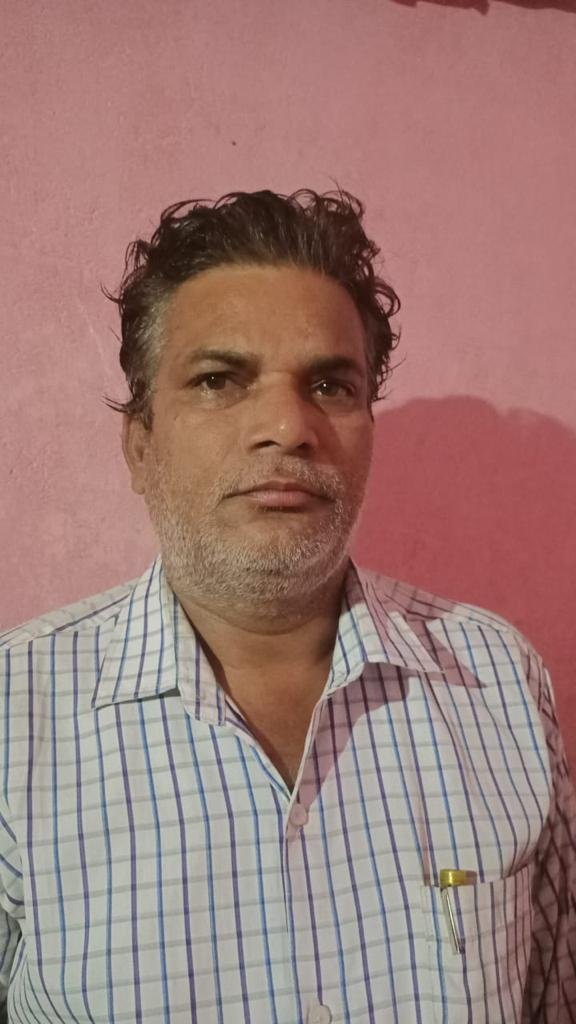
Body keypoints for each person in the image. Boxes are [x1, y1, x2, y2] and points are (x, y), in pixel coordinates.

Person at [0, 189, 574, 1024]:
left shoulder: (498, 682)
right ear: (140, 445)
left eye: (330, 385)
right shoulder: (14, 712)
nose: (287, 425)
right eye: (218, 380)